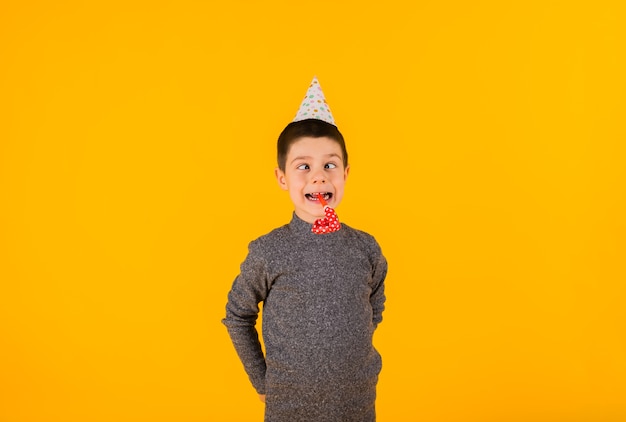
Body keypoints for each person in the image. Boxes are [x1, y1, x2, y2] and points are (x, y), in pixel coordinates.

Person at [222, 77, 387, 422]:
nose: (318, 177)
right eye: (303, 167)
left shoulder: (366, 248)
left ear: (345, 173)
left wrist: (353, 361)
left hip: (357, 405)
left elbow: (374, 304)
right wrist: (262, 380)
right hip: (289, 408)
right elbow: (238, 316)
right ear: (282, 178)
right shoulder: (269, 250)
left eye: (330, 165)